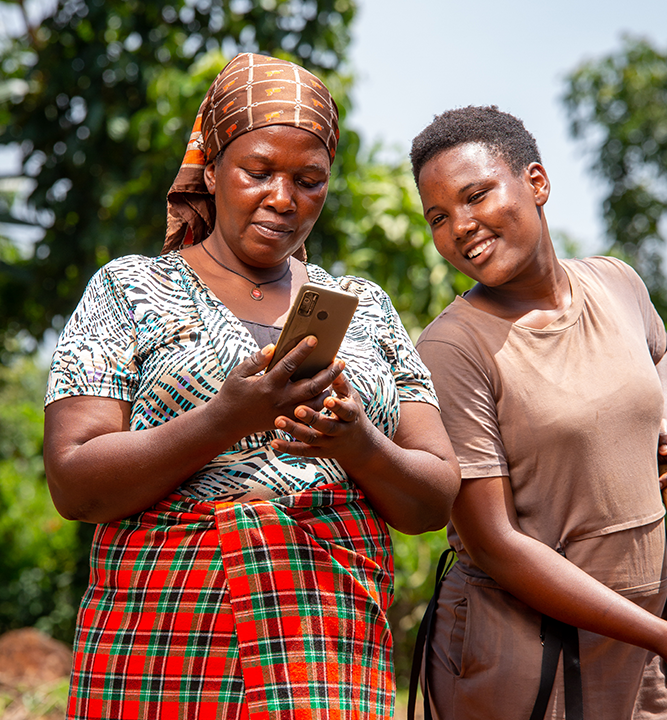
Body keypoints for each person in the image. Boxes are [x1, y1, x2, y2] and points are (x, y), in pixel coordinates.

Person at [43, 52, 460, 720]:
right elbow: (74, 482)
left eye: (309, 179)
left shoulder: (359, 304)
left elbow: (434, 500)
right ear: (210, 169)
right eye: (258, 171)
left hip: (328, 651)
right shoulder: (131, 290)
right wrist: (228, 418)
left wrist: (357, 445)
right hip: (165, 647)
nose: (283, 198)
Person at [410, 105, 667, 720]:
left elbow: (661, 353)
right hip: (529, 656)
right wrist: (666, 638)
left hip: (654, 637)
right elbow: (495, 543)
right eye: (440, 217)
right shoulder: (453, 348)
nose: (462, 227)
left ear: (537, 182)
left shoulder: (615, 282)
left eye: (476, 196)